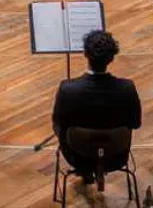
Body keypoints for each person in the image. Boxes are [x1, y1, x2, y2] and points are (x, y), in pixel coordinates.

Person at [52, 31, 142, 183]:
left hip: (78, 156)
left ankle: (86, 171)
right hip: (116, 155)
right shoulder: (127, 88)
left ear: (85, 54)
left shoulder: (68, 89)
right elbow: (136, 123)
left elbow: (59, 123)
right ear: (112, 58)